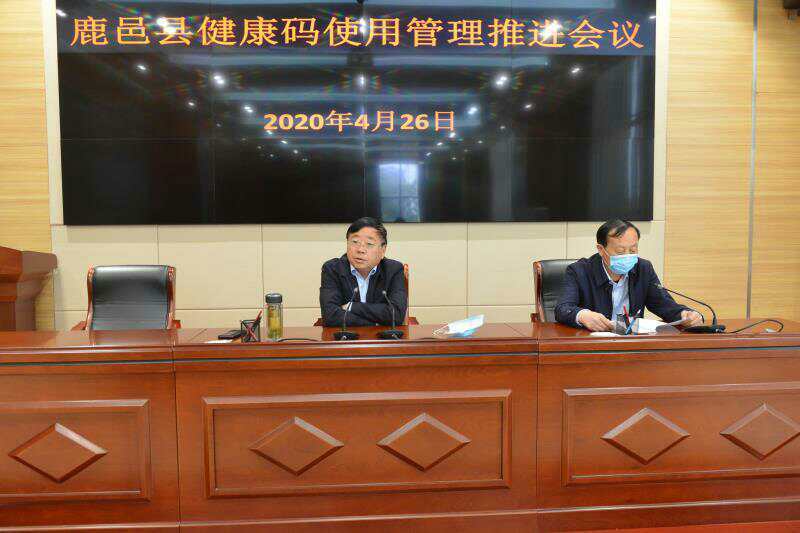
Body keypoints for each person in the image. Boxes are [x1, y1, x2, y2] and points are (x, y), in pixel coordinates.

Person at [555, 219, 704, 332]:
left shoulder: (643, 269)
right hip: (592, 344)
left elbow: (663, 305)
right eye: (620, 251)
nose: (627, 256)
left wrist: (685, 315)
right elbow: (563, 308)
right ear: (601, 249)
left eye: (633, 250)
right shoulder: (579, 271)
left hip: (631, 343)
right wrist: (582, 315)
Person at [320, 217, 408, 327]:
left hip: (382, 337)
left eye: (369, 244)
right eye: (355, 242)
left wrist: (352, 307)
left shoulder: (393, 270)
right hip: (346, 336)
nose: (360, 250)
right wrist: (375, 323)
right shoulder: (333, 269)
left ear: (383, 250)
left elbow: (396, 315)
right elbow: (330, 316)